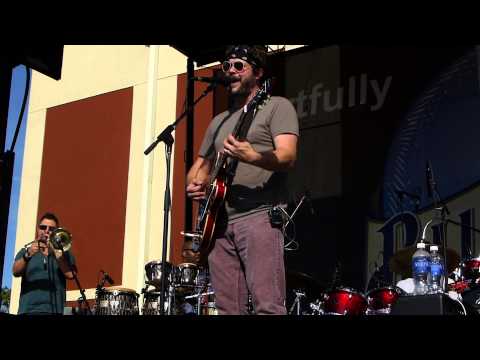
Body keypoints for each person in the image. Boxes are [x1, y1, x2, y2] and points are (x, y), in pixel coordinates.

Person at [185, 45, 299, 315]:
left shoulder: (276, 106)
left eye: (239, 66)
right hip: (219, 225)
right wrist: (197, 183)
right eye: (227, 66)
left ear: (258, 73)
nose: (231, 71)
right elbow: (199, 167)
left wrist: (252, 155)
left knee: (267, 306)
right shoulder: (219, 121)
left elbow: (288, 155)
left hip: (259, 215)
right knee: (227, 309)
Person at [12, 212, 76, 315]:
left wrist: (57, 253)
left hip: (54, 310)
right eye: (43, 227)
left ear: (56, 232)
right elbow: (15, 271)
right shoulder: (26, 250)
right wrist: (27, 255)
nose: (46, 231)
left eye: (51, 229)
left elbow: (71, 275)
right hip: (28, 310)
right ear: (38, 229)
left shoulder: (63, 252)